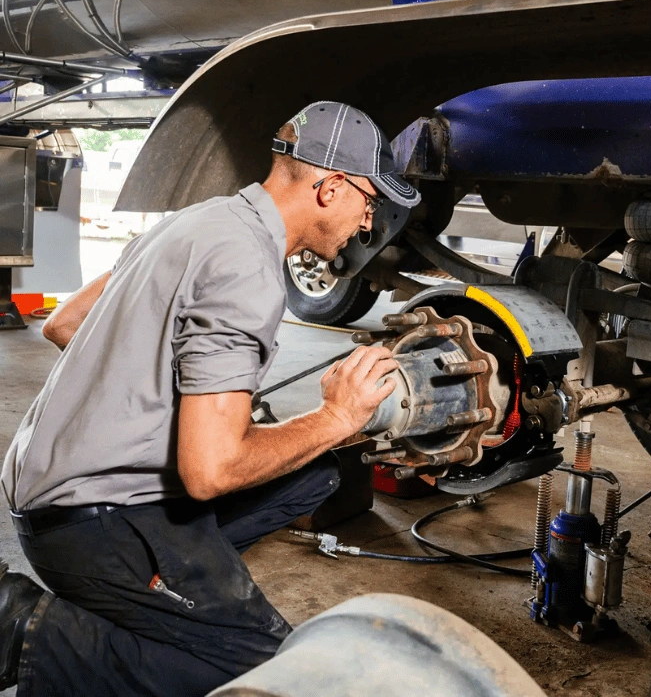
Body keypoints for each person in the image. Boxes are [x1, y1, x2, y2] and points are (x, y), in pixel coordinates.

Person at [0, 101, 421, 696]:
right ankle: (24, 629)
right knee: (270, 674)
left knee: (318, 476)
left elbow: (64, 324)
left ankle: (169, 604)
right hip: (87, 521)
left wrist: (172, 400)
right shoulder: (245, 266)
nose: (366, 224)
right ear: (331, 187)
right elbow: (210, 471)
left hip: (40, 483)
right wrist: (336, 415)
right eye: (368, 203)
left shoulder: (198, 220)